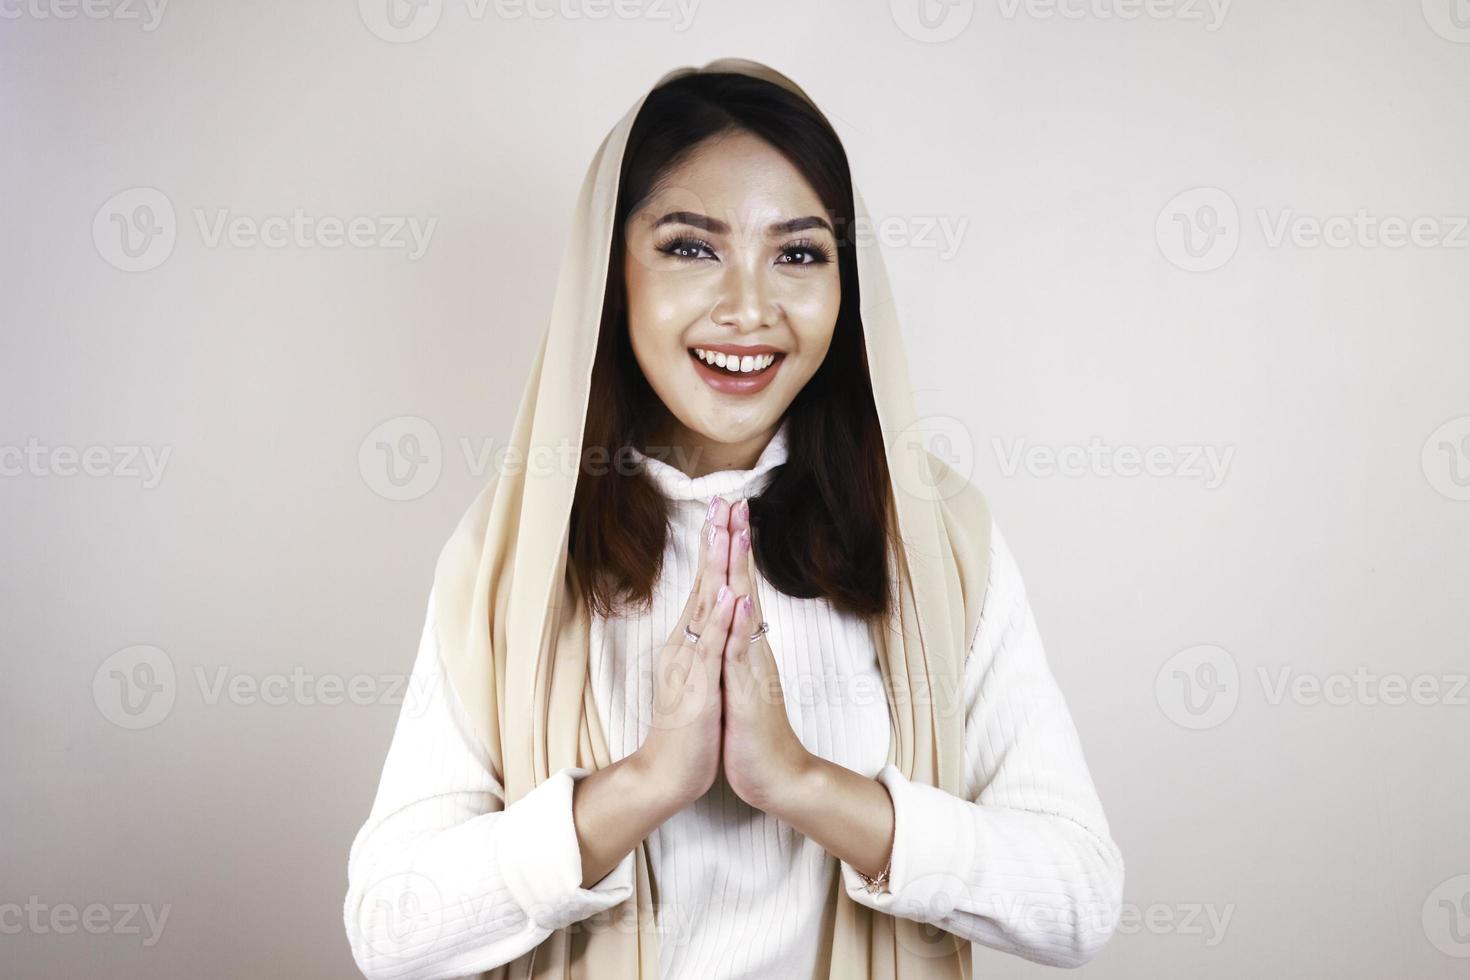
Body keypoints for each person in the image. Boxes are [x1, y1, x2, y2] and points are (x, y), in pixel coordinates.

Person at [343, 58, 1124, 980]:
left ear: (847, 285)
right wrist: (643, 784)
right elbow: (391, 927)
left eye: (797, 253)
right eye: (689, 246)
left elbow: (1078, 901)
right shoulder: (514, 550)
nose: (750, 309)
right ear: (610, 274)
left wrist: (802, 783)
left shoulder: (935, 534)